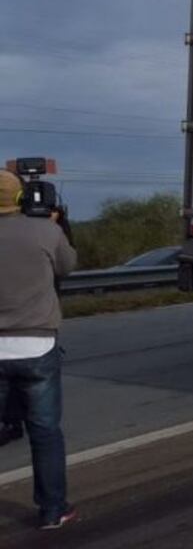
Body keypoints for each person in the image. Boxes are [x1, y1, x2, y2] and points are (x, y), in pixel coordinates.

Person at [0, 169, 78, 529]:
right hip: (37, 346)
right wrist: (56, 226)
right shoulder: (46, 231)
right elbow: (68, 266)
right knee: (45, 433)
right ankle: (52, 509)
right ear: (20, 199)